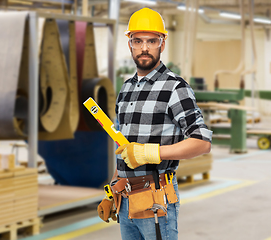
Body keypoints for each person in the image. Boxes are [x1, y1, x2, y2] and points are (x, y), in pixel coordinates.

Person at [97, 7, 212, 240]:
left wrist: (152, 152)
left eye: (152, 41)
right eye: (138, 41)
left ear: (162, 43)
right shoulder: (126, 89)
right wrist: (112, 190)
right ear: (130, 43)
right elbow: (124, 146)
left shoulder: (175, 88)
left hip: (156, 200)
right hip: (126, 200)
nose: (145, 48)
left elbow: (202, 142)